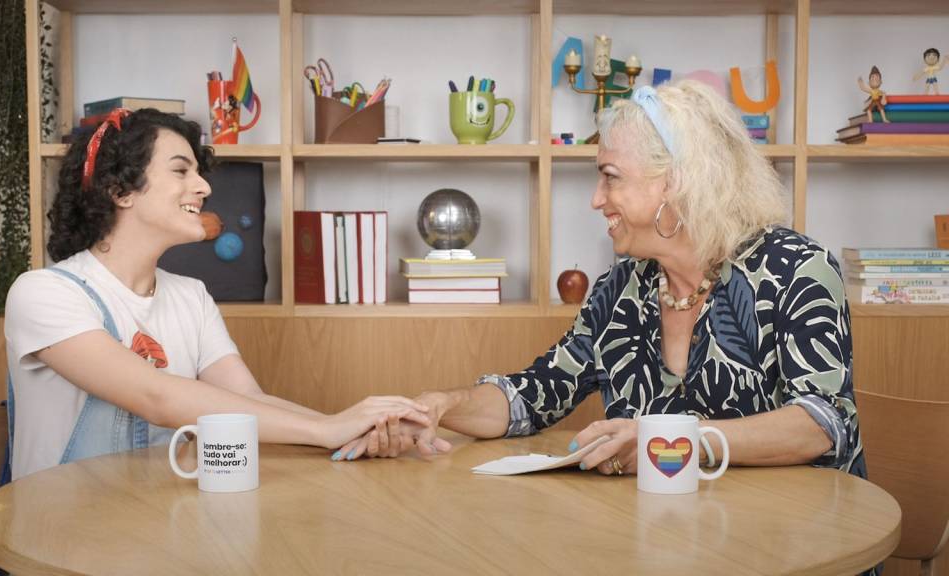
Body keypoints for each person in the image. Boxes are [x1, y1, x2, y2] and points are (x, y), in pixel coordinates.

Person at [357, 80, 864, 480]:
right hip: (669, 539)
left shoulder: (796, 270)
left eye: (611, 176)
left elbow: (822, 423)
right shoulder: (622, 288)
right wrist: (442, 405)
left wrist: (673, 441)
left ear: (676, 182)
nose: (597, 199)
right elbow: (535, 394)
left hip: (792, 540)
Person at [4, 108, 427, 479]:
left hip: (158, 521)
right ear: (120, 191)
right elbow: (156, 396)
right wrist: (327, 429)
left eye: (199, 172)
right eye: (181, 171)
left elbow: (246, 400)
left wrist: (354, 429)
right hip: (63, 530)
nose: (204, 187)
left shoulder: (191, 296)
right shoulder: (44, 293)